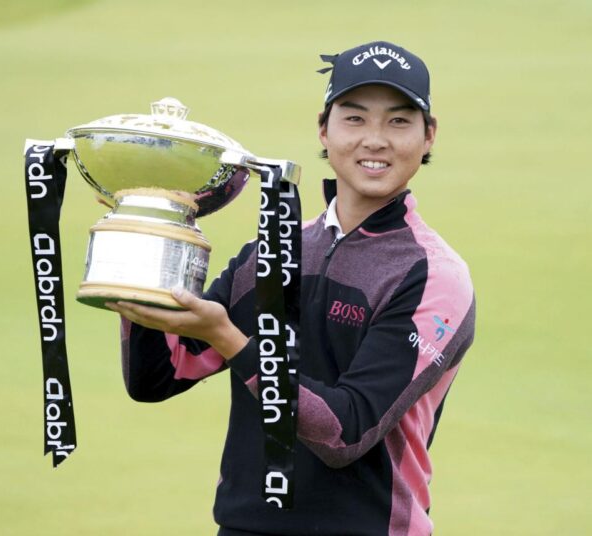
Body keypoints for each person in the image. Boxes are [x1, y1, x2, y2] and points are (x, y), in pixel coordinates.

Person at [106, 40, 476, 536]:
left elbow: (346, 431)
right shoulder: (273, 250)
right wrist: (148, 261)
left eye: (399, 121)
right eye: (355, 118)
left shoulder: (433, 276)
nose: (375, 139)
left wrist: (230, 340)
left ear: (428, 136)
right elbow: (159, 376)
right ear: (323, 129)